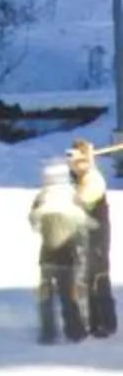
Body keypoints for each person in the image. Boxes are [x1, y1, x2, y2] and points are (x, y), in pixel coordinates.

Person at [30, 159, 90, 345]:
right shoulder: (73, 196)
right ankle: (74, 331)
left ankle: (48, 333)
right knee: (69, 295)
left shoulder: (42, 197)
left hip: (47, 255)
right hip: (68, 255)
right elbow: (83, 224)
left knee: (46, 297)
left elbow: (33, 221)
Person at [69, 138, 114, 338]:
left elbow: (83, 201)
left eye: (77, 161)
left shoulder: (93, 180)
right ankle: (94, 323)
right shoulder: (81, 177)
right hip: (86, 236)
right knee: (87, 280)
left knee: (99, 279)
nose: (73, 165)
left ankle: (106, 323)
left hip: (97, 238)